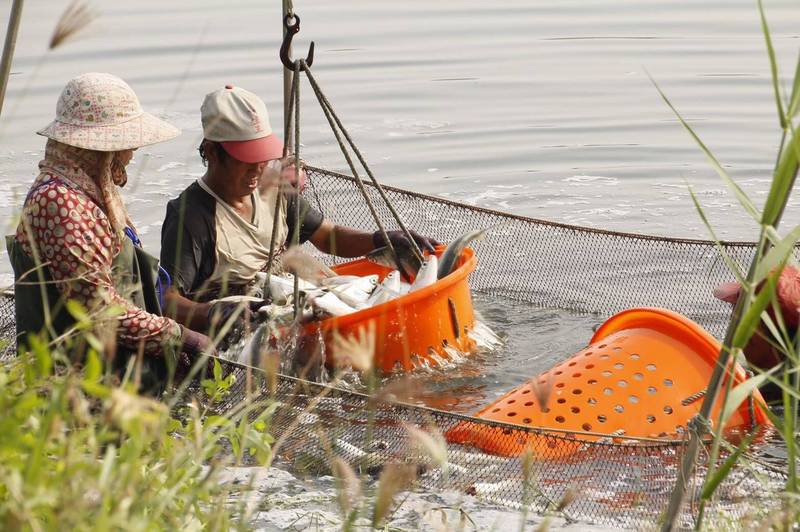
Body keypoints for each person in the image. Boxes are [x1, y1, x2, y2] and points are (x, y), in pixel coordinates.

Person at [160, 84, 437, 335]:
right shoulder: (191, 216)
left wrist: (381, 239)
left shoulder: (273, 186)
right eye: (246, 159)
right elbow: (168, 301)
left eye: (261, 155)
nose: (258, 167)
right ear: (211, 152)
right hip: (250, 327)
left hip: (299, 296)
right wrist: (212, 313)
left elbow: (328, 235)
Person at [7, 72, 212, 391]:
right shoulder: (59, 203)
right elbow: (100, 309)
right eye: (125, 144)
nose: (131, 153)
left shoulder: (89, 193)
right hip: (75, 392)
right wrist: (179, 336)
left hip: (117, 382)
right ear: (98, 148)